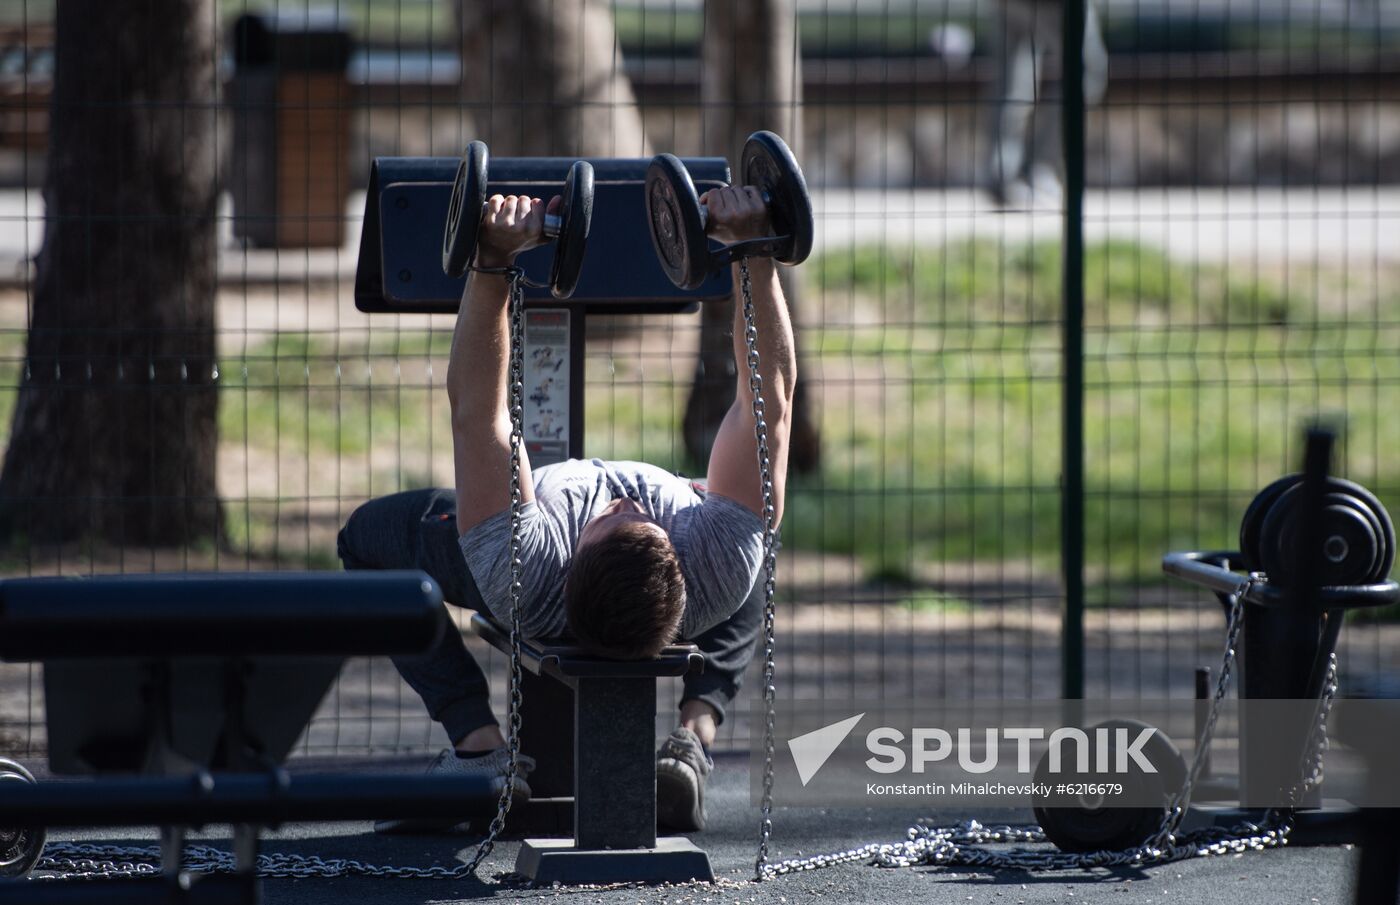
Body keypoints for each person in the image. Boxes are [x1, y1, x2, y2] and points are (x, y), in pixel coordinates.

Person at [337, 183, 796, 833]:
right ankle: (696, 733)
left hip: (504, 569)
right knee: (753, 533)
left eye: (614, 514)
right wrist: (753, 251)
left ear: (572, 544)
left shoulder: (526, 563)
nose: (625, 498)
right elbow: (769, 400)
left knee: (364, 539)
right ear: (679, 565)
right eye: (641, 513)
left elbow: (477, 408)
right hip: (705, 571)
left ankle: (478, 745)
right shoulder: (712, 561)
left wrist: (493, 261)